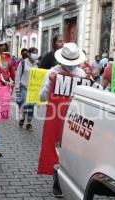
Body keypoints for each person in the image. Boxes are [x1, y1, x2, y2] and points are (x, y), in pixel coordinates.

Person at [38, 43, 88, 198]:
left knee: (74, 149)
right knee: (57, 149)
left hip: (76, 117)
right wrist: (49, 84)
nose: (71, 67)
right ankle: (58, 182)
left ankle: (71, 179)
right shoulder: (53, 72)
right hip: (56, 119)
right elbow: (42, 97)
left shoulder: (82, 74)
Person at [14, 47, 39, 131]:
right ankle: (23, 117)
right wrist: (17, 89)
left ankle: (29, 123)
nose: (35, 54)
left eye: (36, 52)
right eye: (33, 52)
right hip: (23, 86)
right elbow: (17, 76)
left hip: (33, 88)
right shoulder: (23, 63)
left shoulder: (38, 64)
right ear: (29, 53)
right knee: (25, 104)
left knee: (31, 105)